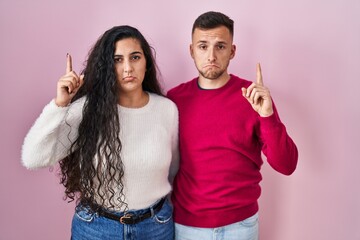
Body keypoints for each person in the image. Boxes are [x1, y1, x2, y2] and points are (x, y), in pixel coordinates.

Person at [21, 25, 179, 240]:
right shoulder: (87, 110)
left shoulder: (166, 109)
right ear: (106, 66)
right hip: (96, 228)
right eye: (117, 60)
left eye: (135, 57)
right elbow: (32, 158)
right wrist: (60, 105)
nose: (127, 68)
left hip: (155, 227)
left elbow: (173, 169)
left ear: (146, 62)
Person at [167, 11, 298, 240]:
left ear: (232, 51)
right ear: (191, 51)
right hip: (188, 227)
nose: (211, 56)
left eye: (220, 46)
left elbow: (287, 164)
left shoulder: (253, 97)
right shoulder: (175, 99)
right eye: (203, 46)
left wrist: (267, 116)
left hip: (241, 226)